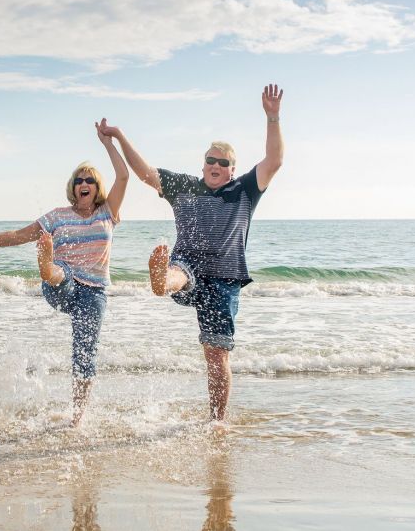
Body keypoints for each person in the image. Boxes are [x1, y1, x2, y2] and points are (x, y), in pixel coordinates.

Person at [99, 84, 284, 421]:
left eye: (222, 162)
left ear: (231, 169)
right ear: (203, 166)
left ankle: (217, 421)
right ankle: (161, 280)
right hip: (188, 265)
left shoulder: (244, 190)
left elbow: (274, 161)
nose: (215, 165)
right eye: (209, 160)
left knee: (216, 355)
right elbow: (145, 174)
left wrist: (272, 117)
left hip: (224, 280)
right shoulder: (185, 187)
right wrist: (119, 137)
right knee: (180, 271)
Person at [0, 119, 129, 426]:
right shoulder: (56, 216)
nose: (84, 184)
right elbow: (18, 235)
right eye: (79, 180)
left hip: (94, 293)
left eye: (90, 180)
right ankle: (47, 267)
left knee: (85, 353)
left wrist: (109, 141)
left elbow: (123, 175)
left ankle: (77, 418)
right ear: (72, 187)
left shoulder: (107, 212)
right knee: (61, 274)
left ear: (97, 187)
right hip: (63, 283)